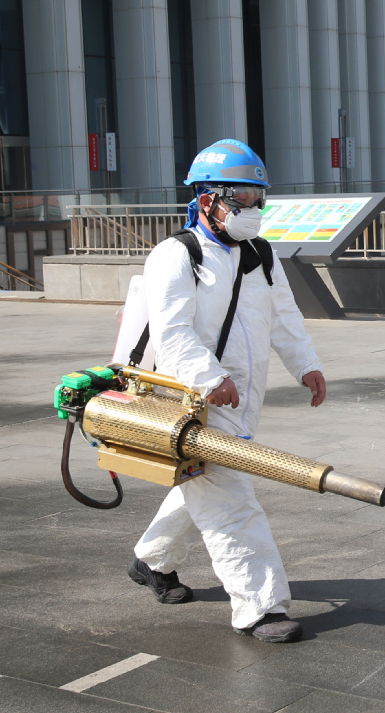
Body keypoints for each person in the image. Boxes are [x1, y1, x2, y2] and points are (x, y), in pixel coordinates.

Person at [126, 139, 326, 644]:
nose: (253, 208)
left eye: (259, 197)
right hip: (193, 401)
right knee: (230, 500)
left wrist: (307, 365)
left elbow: (284, 315)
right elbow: (172, 331)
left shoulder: (260, 254)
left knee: (200, 482)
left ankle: (151, 562)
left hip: (242, 400)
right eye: (241, 196)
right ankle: (260, 607)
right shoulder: (175, 255)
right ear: (208, 198)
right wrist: (210, 377)